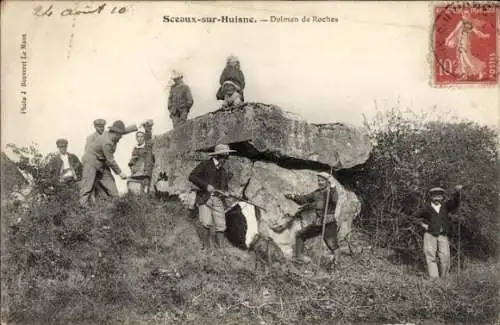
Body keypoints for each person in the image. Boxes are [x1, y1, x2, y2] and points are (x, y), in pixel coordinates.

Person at [79, 120, 150, 207]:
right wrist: (120, 173)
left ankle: (116, 206)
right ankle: (83, 208)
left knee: (113, 190)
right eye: (120, 135)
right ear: (116, 134)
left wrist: (138, 126)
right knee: (87, 187)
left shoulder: (114, 135)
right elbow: (111, 161)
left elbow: (124, 131)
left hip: (102, 163)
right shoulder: (107, 143)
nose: (121, 137)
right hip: (91, 162)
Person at [284, 172, 340, 265]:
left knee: (332, 245)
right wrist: (293, 196)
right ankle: (299, 258)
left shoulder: (331, 192)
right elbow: (304, 199)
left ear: (327, 182)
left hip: (329, 223)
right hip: (318, 223)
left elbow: (335, 199)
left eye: (322, 180)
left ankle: (337, 265)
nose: (320, 182)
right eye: (319, 180)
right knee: (300, 235)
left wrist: (333, 186)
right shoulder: (316, 193)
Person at [188, 144, 235, 250]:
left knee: (221, 225)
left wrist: (226, 192)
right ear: (218, 156)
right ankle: (206, 247)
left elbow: (225, 186)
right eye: (224, 156)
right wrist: (205, 186)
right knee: (206, 222)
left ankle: (221, 249)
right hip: (205, 198)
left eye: (227, 157)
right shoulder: (205, 164)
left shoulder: (222, 171)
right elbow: (192, 176)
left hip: (218, 200)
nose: (226, 159)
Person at [414, 185, 463, 279]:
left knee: (445, 256)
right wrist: (423, 225)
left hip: (443, 235)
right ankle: (434, 278)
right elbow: (413, 217)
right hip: (430, 235)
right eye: (435, 196)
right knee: (430, 256)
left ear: (442, 197)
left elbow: (456, 203)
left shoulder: (446, 206)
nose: (437, 198)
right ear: (431, 197)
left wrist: (457, 192)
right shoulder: (426, 208)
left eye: (439, 196)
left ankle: (444, 277)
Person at [445, 9, 490, 80]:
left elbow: (476, 31)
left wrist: (484, 36)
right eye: (465, 14)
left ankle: (479, 71)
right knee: (461, 59)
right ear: (462, 15)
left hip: (465, 44)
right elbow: (454, 31)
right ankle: (464, 75)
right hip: (460, 43)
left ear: (469, 16)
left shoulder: (469, 24)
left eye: (468, 15)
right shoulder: (461, 23)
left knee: (467, 59)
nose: (467, 16)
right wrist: (448, 39)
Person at [127, 124, 155, 195]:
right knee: (132, 187)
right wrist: (132, 165)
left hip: (145, 171)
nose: (140, 138)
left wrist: (147, 127)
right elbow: (132, 160)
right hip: (136, 172)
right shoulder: (135, 148)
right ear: (136, 138)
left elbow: (148, 137)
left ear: (144, 137)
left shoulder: (147, 146)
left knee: (145, 190)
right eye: (138, 137)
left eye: (141, 136)